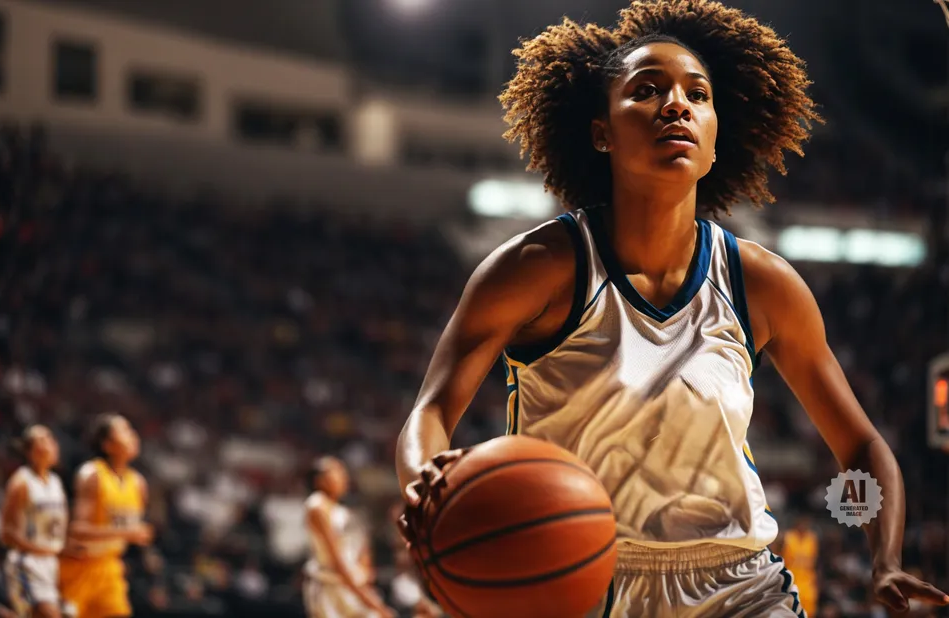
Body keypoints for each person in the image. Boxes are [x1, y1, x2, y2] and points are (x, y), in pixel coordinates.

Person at [395, 0, 949, 616]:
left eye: (698, 94)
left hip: (741, 587)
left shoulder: (763, 284)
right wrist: (429, 486)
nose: (676, 104)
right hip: (582, 580)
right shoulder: (537, 267)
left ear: (716, 139)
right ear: (600, 131)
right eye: (647, 90)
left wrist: (885, 556)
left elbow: (860, 448)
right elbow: (432, 411)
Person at [59, 414, 152, 618]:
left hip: (110, 566)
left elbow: (132, 533)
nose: (133, 435)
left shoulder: (138, 483)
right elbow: (77, 530)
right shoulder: (93, 475)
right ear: (108, 445)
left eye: (132, 430)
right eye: (125, 431)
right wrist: (128, 532)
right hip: (78, 566)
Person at [303, 457, 395, 618]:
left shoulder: (346, 512)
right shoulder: (317, 505)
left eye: (343, 472)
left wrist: (365, 578)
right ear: (319, 480)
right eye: (336, 471)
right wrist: (372, 601)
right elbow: (337, 562)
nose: (343, 476)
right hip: (329, 585)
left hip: (352, 584)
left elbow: (361, 552)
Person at [1, 426, 68, 618]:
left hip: (51, 562)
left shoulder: (56, 482)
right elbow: (7, 533)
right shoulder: (21, 482)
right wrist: (40, 549)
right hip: (28, 563)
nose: (52, 444)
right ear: (30, 452)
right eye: (44, 440)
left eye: (52, 439)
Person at [781, 516, 820, 617]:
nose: (804, 526)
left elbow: (815, 562)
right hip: (791, 581)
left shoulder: (812, 538)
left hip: (807, 583)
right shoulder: (787, 537)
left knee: (809, 613)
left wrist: (816, 582)